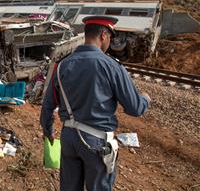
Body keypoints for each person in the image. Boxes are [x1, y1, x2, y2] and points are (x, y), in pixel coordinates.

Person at [40, 16, 151, 191]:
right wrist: (145, 99)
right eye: (110, 38)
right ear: (104, 35)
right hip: (96, 142)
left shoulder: (62, 65)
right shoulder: (112, 67)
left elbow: (47, 105)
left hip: (68, 138)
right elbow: (135, 108)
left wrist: (47, 130)